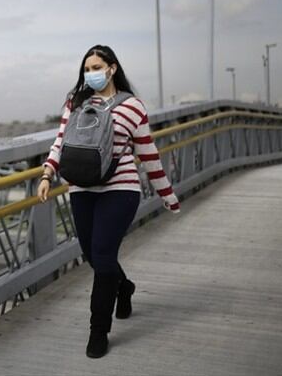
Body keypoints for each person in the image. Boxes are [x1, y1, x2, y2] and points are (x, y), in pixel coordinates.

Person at [37, 44, 181, 359]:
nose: (91, 74)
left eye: (96, 67)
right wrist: (48, 172)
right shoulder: (75, 102)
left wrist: (166, 194)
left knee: (103, 255)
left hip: (121, 188)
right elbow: (61, 141)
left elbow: (148, 153)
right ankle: (124, 287)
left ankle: (98, 331)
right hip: (81, 188)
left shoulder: (133, 106)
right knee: (92, 254)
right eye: (86, 69)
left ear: (112, 68)